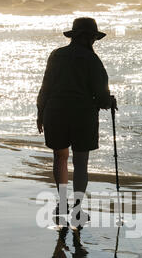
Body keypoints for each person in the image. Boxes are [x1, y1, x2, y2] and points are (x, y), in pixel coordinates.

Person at [37, 17, 117, 226]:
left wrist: (40, 112)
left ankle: (62, 203)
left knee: (60, 157)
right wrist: (110, 102)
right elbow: (101, 96)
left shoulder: (57, 55)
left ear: (74, 36)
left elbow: (45, 86)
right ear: (90, 37)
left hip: (55, 112)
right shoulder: (92, 60)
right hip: (82, 115)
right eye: (93, 38)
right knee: (80, 162)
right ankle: (78, 209)